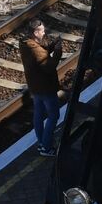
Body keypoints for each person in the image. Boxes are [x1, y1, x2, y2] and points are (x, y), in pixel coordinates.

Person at [20, 18, 64, 156]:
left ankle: (41, 142)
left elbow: (40, 53)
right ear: (35, 32)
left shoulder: (25, 43)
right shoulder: (35, 50)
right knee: (53, 116)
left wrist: (51, 46)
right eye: (42, 31)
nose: (44, 33)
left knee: (38, 115)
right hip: (45, 87)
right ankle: (46, 147)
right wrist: (57, 51)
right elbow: (48, 66)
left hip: (34, 86)